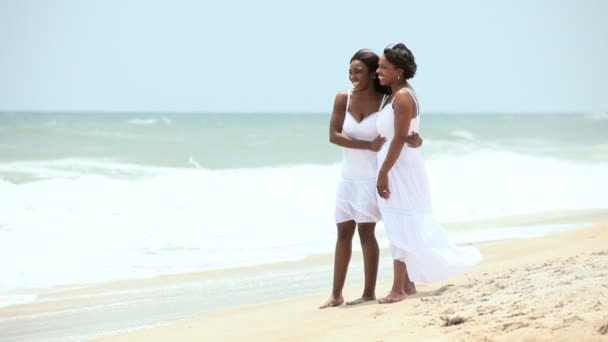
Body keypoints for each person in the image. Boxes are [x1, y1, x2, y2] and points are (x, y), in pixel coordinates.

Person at [375, 43, 482, 304]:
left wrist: (383, 173)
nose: (378, 71)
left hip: (399, 167)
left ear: (398, 71)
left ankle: (399, 288)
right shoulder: (396, 94)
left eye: (383, 67)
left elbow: (400, 138)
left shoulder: (401, 97)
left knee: (400, 222)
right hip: (399, 163)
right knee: (400, 222)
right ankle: (408, 284)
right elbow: (409, 136)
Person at [320, 49, 422, 309]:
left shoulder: (386, 101)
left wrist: (416, 140)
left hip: (371, 177)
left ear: (372, 72)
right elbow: (333, 135)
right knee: (343, 232)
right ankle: (336, 294)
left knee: (367, 232)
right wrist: (368, 145)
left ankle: (368, 292)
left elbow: (404, 129)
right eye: (350, 70)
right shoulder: (343, 97)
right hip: (347, 177)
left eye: (359, 71)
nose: (353, 76)